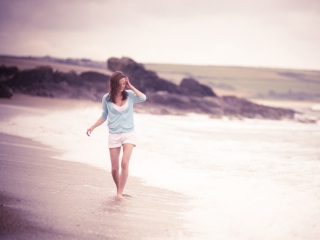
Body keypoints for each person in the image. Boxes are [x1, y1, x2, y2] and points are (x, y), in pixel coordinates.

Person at [86, 71, 146, 198]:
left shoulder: (129, 95)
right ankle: (120, 189)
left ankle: (119, 193)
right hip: (114, 134)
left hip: (129, 133)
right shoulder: (106, 98)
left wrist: (131, 86)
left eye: (124, 84)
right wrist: (93, 126)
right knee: (114, 169)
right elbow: (104, 115)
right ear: (114, 84)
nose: (123, 86)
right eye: (121, 84)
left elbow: (142, 98)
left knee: (124, 163)